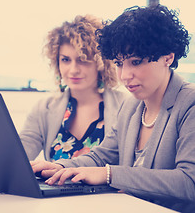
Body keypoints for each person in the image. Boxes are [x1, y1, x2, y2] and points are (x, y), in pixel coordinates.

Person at [30, 4, 195, 213]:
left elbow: (191, 183)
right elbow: (101, 156)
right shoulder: (131, 106)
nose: (125, 75)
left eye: (135, 62)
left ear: (168, 57)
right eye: (119, 63)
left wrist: (109, 174)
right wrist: (62, 167)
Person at [19, 15, 128, 162]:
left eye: (82, 60)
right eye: (65, 60)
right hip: (54, 185)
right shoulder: (43, 109)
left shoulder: (125, 106)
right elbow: (17, 158)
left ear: (101, 63)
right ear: (57, 63)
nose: (73, 70)